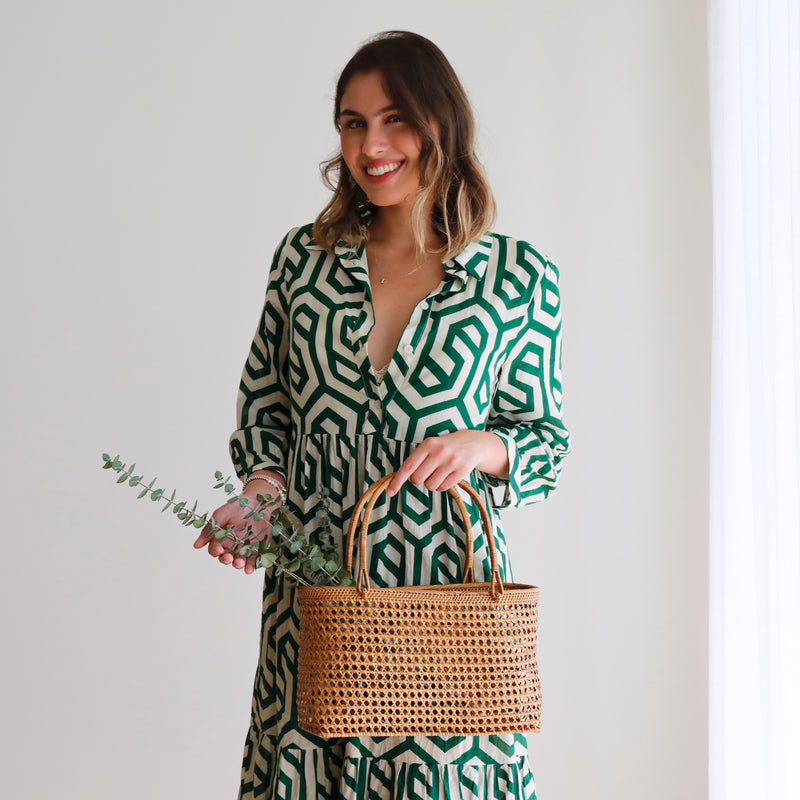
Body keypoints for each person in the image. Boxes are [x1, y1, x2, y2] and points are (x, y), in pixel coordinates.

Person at [193, 30, 571, 800]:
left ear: (442, 124)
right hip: (321, 582)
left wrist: (482, 446)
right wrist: (262, 491)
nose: (372, 144)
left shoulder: (518, 278)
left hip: (447, 590)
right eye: (353, 122)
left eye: (395, 118)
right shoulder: (303, 259)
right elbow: (266, 398)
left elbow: (546, 441)